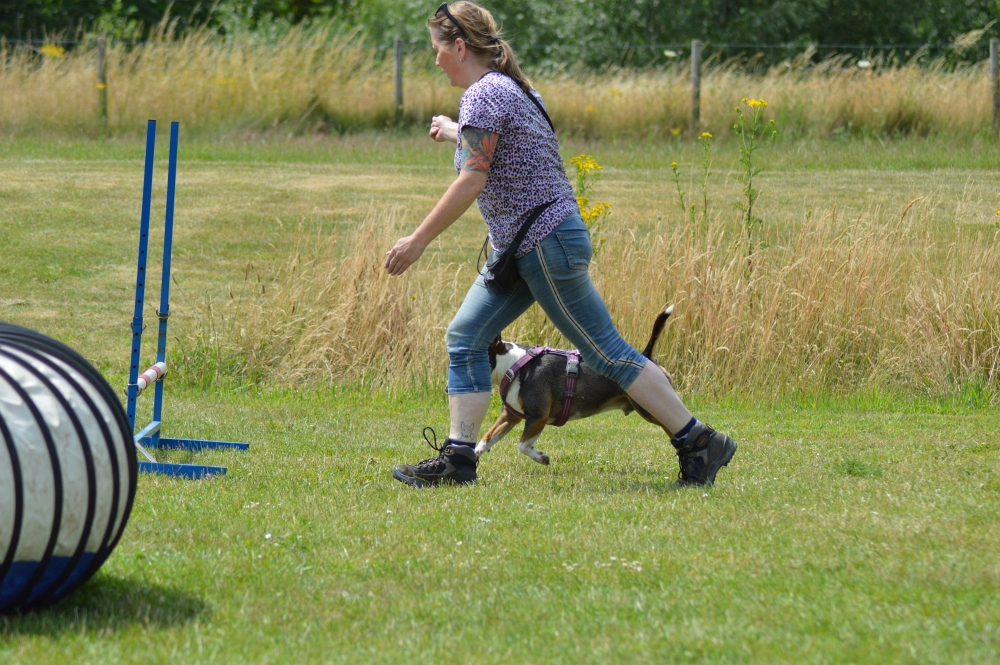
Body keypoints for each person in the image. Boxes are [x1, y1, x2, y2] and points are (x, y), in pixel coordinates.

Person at [385, 1, 737, 488]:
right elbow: (507, 149)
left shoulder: (484, 93)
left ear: (460, 47)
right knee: (465, 338)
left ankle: (699, 441)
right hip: (525, 248)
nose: (435, 60)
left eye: (437, 50)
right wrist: (454, 132)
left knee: (607, 354)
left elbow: (473, 178)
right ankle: (458, 460)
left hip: (543, 244)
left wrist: (418, 239)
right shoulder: (514, 89)